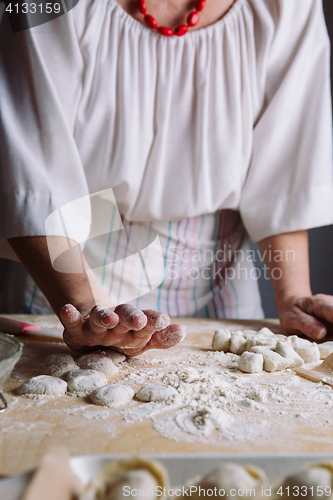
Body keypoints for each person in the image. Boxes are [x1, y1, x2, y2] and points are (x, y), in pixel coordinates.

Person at [0, 0, 333, 354]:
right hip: (66, 276)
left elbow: (284, 169)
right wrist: (85, 308)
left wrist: (293, 295)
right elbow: (31, 173)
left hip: (218, 286)